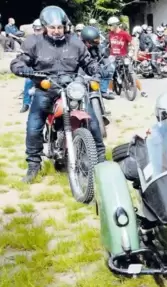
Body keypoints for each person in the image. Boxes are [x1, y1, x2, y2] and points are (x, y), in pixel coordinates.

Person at [10, 5, 105, 183]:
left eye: (59, 27)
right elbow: (18, 62)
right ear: (45, 27)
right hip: (47, 89)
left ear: (65, 26)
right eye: (52, 27)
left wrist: (96, 72)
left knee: (92, 122)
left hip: (71, 88)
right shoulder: (34, 42)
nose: (56, 31)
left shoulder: (75, 42)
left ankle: (100, 160)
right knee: (33, 127)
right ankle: (33, 166)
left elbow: (88, 61)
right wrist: (27, 71)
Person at [81, 26, 115, 101]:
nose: (96, 43)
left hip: (94, 68)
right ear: (86, 41)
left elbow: (103, 56)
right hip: (81, 71)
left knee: (109, 69)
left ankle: (103, 91)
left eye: (96, 41)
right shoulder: (78, 48)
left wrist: (107, 64)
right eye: (93, 41)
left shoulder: (97, 47)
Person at [20, 19, 44, 113]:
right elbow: (22, 55)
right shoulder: (29, 40)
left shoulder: (49, 39)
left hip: (47, 67)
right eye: (36, 29)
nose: (37, 31)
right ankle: (26, 103)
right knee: (28, 81)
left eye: (40, 29)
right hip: (33, 67)